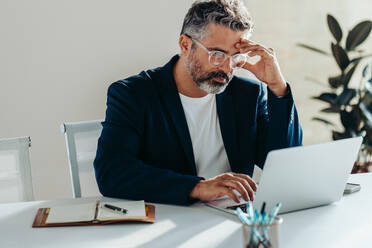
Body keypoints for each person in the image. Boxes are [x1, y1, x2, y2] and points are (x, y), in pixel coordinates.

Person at [94, 0, 302, 205]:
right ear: (185, 44)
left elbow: (285, 164)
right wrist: (197, 187)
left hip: (232, 221)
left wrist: (277, 87)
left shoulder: (247, 94)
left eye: (236, 57)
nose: (227, 67)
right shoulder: (133, 94)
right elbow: (112, 173)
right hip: (165, 221)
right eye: (217, 54)